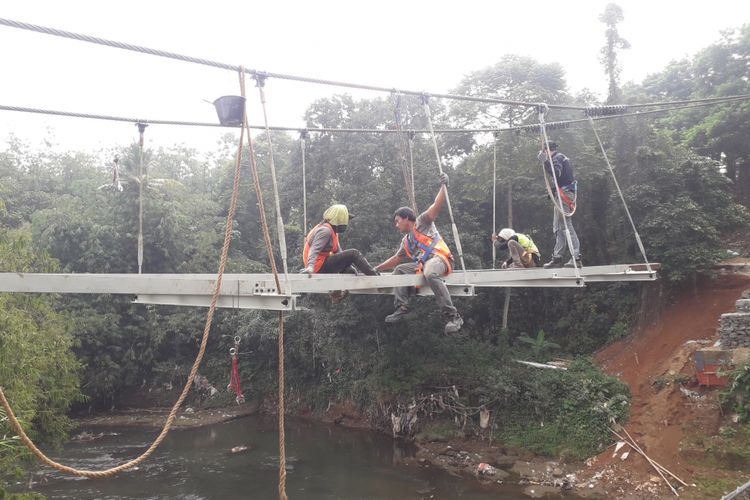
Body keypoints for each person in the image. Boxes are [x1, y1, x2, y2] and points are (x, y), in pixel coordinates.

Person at [375, 173, 463, 334]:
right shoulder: (406, 241)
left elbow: (437, 204)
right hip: (424, 265)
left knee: (430, 273)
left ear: (407, 218)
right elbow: (396, 259)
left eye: (397, 221)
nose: (396, 225)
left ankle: (452, 315)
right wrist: (376, 268)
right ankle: (402, 306)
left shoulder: (422, 222)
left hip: (440, 259)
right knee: (400, 270)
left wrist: (444, 186)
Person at [302, 204, 379, 275]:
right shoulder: (325, 231)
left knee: (349, 270)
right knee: (354, 253)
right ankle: (374, 275)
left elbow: (338, 252)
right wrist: (310, 267)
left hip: (321, 264)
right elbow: (314, 249)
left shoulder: (333, 231)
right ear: (339, 219)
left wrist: (347, 265)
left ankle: (343, 289)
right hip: (317, 266)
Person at [538, 141, 581, 268]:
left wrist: (545, 161)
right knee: (557, 227)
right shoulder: (562, 157)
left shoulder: (557, 158)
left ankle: (576, 257)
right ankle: (557, 257)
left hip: (565, 194)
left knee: (566, 225)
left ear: (547, 150)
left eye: (544, 152)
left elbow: (557, 174)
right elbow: (564, 179)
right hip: (563, 193)